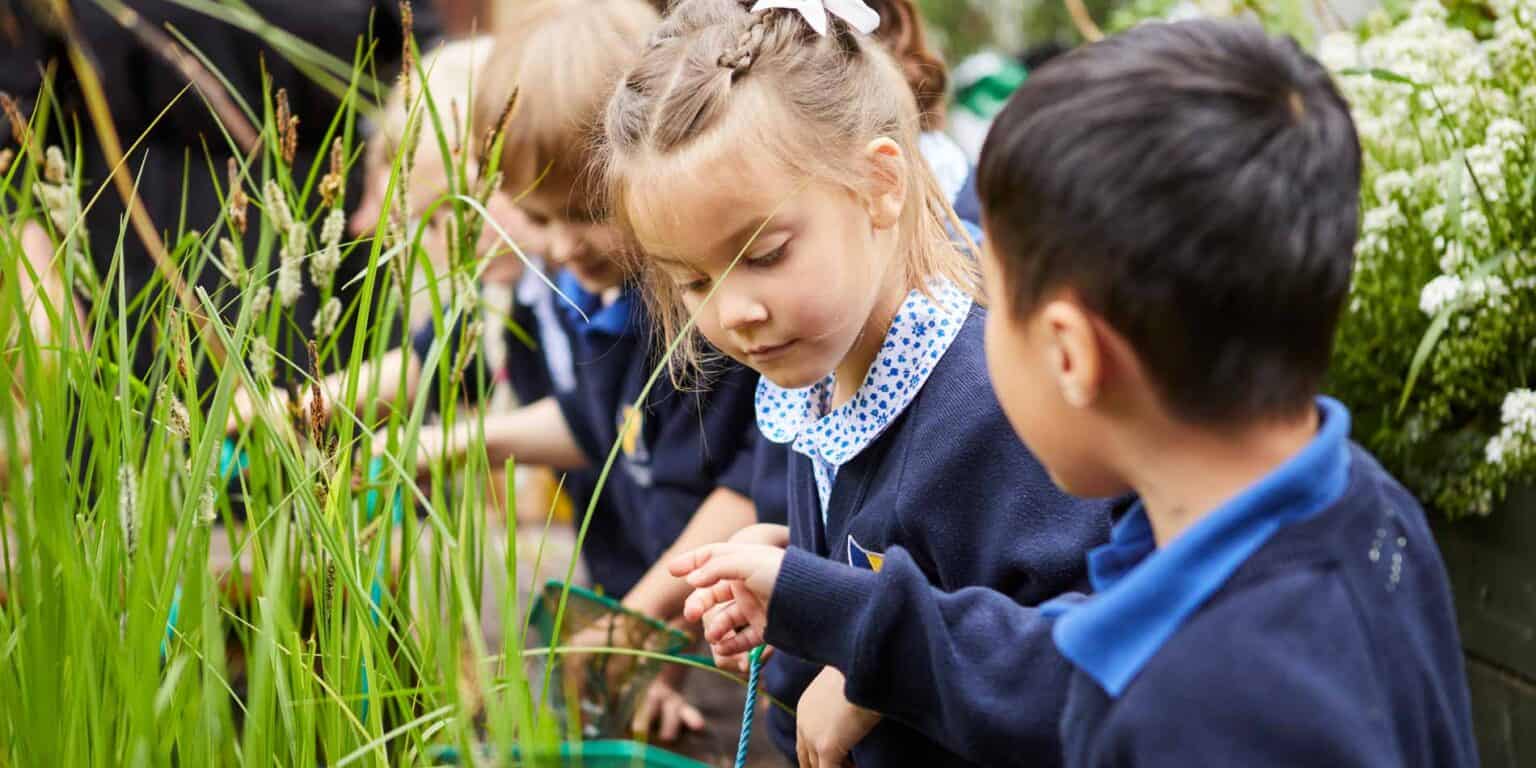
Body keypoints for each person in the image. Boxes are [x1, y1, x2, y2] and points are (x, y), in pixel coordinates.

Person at [684, 18, 1480, 767]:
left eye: (990, 304)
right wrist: (829, 608)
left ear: (1070, 353)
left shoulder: (1204, 710)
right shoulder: (1357, 507)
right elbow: (1069, 652)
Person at [604, 1, 1113, 765]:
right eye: (691, 282)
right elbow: (887, 567)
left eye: (766, 254)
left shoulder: (993, 403)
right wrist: (790, 593)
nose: (733, 311)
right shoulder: (809, 379)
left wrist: (866, 675)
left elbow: (1084, 658)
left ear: (879, 185)